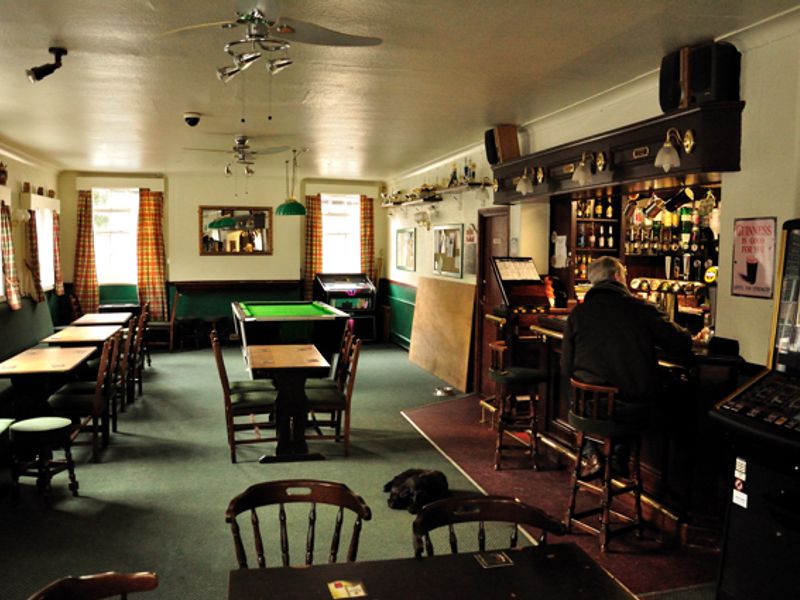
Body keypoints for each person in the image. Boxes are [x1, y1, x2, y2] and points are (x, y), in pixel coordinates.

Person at [561, 256, 692, 476]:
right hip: (631, 410)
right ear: (617, 277)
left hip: (587, 407)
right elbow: (681, 342)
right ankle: (618, 457)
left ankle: (592, 454)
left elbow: (565, 366)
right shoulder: (642, 309)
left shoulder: (578, 314)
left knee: (578, 398)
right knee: (644, 396)